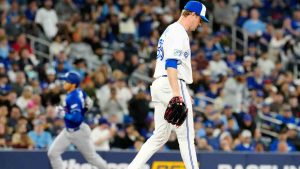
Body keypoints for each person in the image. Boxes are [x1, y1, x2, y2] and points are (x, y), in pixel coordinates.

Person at [127, 1, 209, 169]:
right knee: (186, 136)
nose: (200, 23)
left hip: (160, 84)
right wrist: (177, 93)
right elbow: (171, 64)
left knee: (160, 137)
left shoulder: (170, 30)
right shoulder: (179, 32)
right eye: (200, 19)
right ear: (192, 14)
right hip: (171, 83)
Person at [47, 71, 107, 169]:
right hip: (68, 131)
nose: (64, 83)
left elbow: (77, 119)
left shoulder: (73, 97)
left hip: (78, 132)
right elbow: (89, 103)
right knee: (52, 153)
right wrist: (83, 110)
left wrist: (63, 113)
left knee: (91, 158)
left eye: (66, 82)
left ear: (73, 84)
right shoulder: (79, 91)